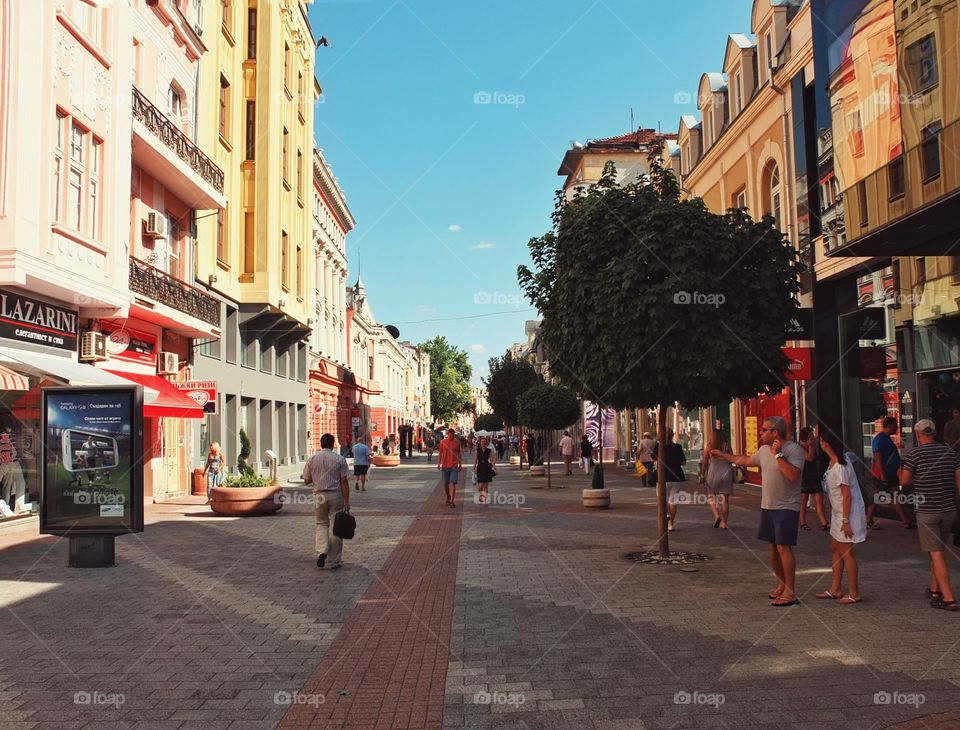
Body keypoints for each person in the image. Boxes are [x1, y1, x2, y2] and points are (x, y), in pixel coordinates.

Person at [712, 416, 804, 606]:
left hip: (786, 506)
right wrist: (725, 456)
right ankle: (781, 584)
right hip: (768, 505)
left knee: (783, 547)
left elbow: (793, 475)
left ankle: (790, 591)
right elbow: (746, 460)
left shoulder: (793, 450)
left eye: (764, 430)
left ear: (775, 432)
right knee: (772, 547)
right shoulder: (763, 450)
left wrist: (778, 455)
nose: (761, 433)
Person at [899, 419, 960, 611]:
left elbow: (905, 481)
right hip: (948, 510)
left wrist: (899, 472)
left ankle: (949, 598)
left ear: (918, 435)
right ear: (934, 433)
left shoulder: (915, 454)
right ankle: (935, 590)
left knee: (936, 553)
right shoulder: (951, 453)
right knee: (938, 551)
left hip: (927, 511)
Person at [815, 432, 867, 604]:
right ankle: (836, 588)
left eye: (822, 441)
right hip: (838, 512)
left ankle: (854, 592)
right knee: (835, 548)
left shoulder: (840, 466)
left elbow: (847, 496)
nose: (820, 444)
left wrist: (845, 521)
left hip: (847, 514)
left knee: (846, 551)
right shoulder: (834, 462)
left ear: (827, 444)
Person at [302, 433, 350, 571]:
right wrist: (346, 501)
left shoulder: (312, 459)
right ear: (333, 444)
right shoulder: (339, 459)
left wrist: (315, 479)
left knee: (321, 524)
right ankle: (334, 560)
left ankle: (322, 551)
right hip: (335, 495)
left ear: (321, 444)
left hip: (319, 496)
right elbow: (344, 482)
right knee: (337, 527)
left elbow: (306, 480)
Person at [869, 417, 914, 529]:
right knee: (879, 497)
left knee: (894, 496)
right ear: (889, 426)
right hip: (882, 474)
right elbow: (878, 458)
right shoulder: (880, 439)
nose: (897, 428)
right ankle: (868, 519)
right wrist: (883, 475)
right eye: (895, 426)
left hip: (889, 473)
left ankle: (906, 520)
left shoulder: (886, 438)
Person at [798, 427, 829, 531]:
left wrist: (811, 446)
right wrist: (810, 445)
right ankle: (803, 522)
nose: (813, 437)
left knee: (819, 499)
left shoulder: (813, 446)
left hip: (814, 474)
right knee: (804, 500)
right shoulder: (800, 447)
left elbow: (814, 457)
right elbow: (809, 458)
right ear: (806, 437)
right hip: (805, 475)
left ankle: (824, 522)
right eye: (811, 435)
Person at [700, 429, 732, 529]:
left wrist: (702, 475)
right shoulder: (726, 445)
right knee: (725, 500)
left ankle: (717, 515)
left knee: (711, 496)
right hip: (726, 472)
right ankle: (724, 523)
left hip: (713, 473)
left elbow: (705, 462)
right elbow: (731, 457)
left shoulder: (709, 447)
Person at [655, 428, 686, 532]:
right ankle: (671, 523)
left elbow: (652, 458)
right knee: (673, 501)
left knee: (662, 500)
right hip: (676, 477)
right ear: (672, 436)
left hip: (662, 477)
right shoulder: (678, 447)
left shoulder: (658, 447)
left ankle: (666, 516)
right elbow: (683, 462)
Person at [438, 428, 463, 508]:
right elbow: (440, 453)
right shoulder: (443, 442)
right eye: (450, 435)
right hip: (445, 466)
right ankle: (448, 496)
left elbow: (459, 454)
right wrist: (439, 463)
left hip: (454, 466)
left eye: (453, 435)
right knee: (446, 484)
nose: (452, 437)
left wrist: (460, 464)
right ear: (447, 435)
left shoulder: (457, 442)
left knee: (452, 483)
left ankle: (452, 501)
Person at [474, 436, 497, 504]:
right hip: (480, 467)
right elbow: (475, 459)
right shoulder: (477, 450)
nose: (483, 443)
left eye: (484, 442)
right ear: (480, 443)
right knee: (480, 485)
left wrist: (495, 468)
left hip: (487, 467)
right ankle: (481, 492)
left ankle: (485, 498)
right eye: (482, 442)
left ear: (486, 443)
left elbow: (492, 460)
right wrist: (474, 467)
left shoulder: (488, 450)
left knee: (486, 485)